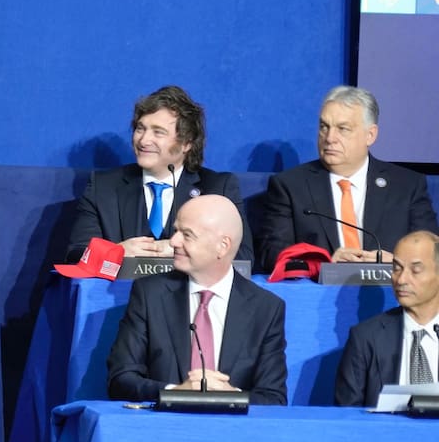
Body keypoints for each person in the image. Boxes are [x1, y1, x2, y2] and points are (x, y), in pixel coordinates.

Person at [106, 194, 288, 404]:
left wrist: (232, 396)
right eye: (176, 230)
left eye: (187, 235)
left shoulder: (265, 308)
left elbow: (274, 398)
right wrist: (176, 392)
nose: (173, 242)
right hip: (163, 427)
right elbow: (120, 380)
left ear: (223, 246)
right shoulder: (150, 294)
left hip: (233, 431)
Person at [257, 86, 438, 272]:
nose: (329, 138)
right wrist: (325, 264)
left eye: (342, 129)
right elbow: (272, 254)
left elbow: (433, 253)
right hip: (319, 293)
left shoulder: (407, 186)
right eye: (324, 127)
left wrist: (399, 262)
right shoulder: (291, 186)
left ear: (370, 135)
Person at [65, 85, 254, 263]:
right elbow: (76, 253)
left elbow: (243, 256)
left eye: (158, 132)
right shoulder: (104, 186)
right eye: (140, 128)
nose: (144, 140)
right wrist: (116, 253)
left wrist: (186, 249)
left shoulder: (217, 188)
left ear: (187, 143)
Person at [335, 231, 439, 407]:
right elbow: (347, 417)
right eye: (396, 268)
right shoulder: (365, 338)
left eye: (416, 270)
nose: (401, 279)